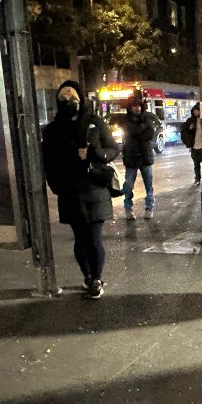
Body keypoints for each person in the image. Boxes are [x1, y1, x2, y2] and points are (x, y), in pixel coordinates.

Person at [43, 80, 118, 299]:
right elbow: (49, 162)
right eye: (63, 99)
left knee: (94, 237)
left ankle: (96, 278)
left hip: (94, 187)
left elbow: (112, 149)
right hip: (70, 191)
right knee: (80, 238)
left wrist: (94, 154)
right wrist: (56, 185)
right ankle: (87, 276)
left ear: (80, 100)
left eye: (72, 98)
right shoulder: (53, 130)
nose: (68, 102)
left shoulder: (94, 122)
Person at [121, 92, 156, 220]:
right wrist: (143, 130)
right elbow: (130, 131)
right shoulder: (126, 119)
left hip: (145, 156)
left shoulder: (147, 118)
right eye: (134, 106)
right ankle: (128, 208)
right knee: (128, 184)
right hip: (131, 156)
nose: (136, 108)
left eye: (138, 106)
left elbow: (150, 134)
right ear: (130, 107)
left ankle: (149, 208)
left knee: (149, 184)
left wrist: (139, 133)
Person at [180, 102, 202, 187]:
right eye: (194, 110)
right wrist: (189, 129)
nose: (195, 112)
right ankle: (197, 179)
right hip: (194, 146)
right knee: (196, 164)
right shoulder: (191, 121)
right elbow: (184, 130)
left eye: (197, 110)